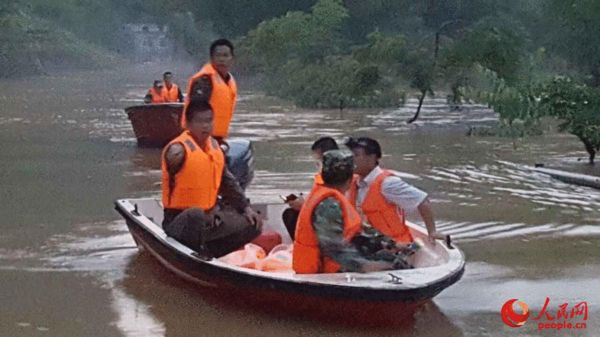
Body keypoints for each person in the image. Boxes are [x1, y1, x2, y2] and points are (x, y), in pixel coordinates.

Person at [161, 98, 263, 258]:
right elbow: (171, 166)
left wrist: (245, 207)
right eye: (199, 122)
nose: (205, 126)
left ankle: (209, 254)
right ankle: (197, 253)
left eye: (209, 121)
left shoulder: (214, 148)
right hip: (180, 221)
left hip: (209, 219)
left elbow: (228, 183)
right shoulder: (177, 150)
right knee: (195, 214)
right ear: (187, 123)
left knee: (253, 223)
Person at [293, 150, 403, 274]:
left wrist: (391, 244)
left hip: (330, 261)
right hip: (320, 270)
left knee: (386, 257)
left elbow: (359, 230)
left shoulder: (327, 195)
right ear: (350, 179)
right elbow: (332, 248)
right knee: (393, 264)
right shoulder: (329, 205)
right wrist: (365, 266)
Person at [344, 137, 445, 244]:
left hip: (395, 246)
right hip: (369, 242)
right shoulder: (353, 181)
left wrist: (432, 231)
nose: (350, 160)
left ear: (372, 157)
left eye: (356, 155)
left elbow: (422, 200)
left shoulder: (388, 183)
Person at [282, 137, 339, 239]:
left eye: (319, 160)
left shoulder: (342, 177)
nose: (317, 164)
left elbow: (334, 207)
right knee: (290, 214)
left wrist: (305, 206)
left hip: (332, 221)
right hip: (320, 214)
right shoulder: (321, 177)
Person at [182, 39, 237, 142]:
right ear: (211, 58)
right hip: (199, 138)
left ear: (232, 59)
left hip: (217, 138)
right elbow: (195, 112)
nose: (222, 59)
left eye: (225, 56)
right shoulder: (204, 80)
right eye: (218, 56)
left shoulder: (229, 81)